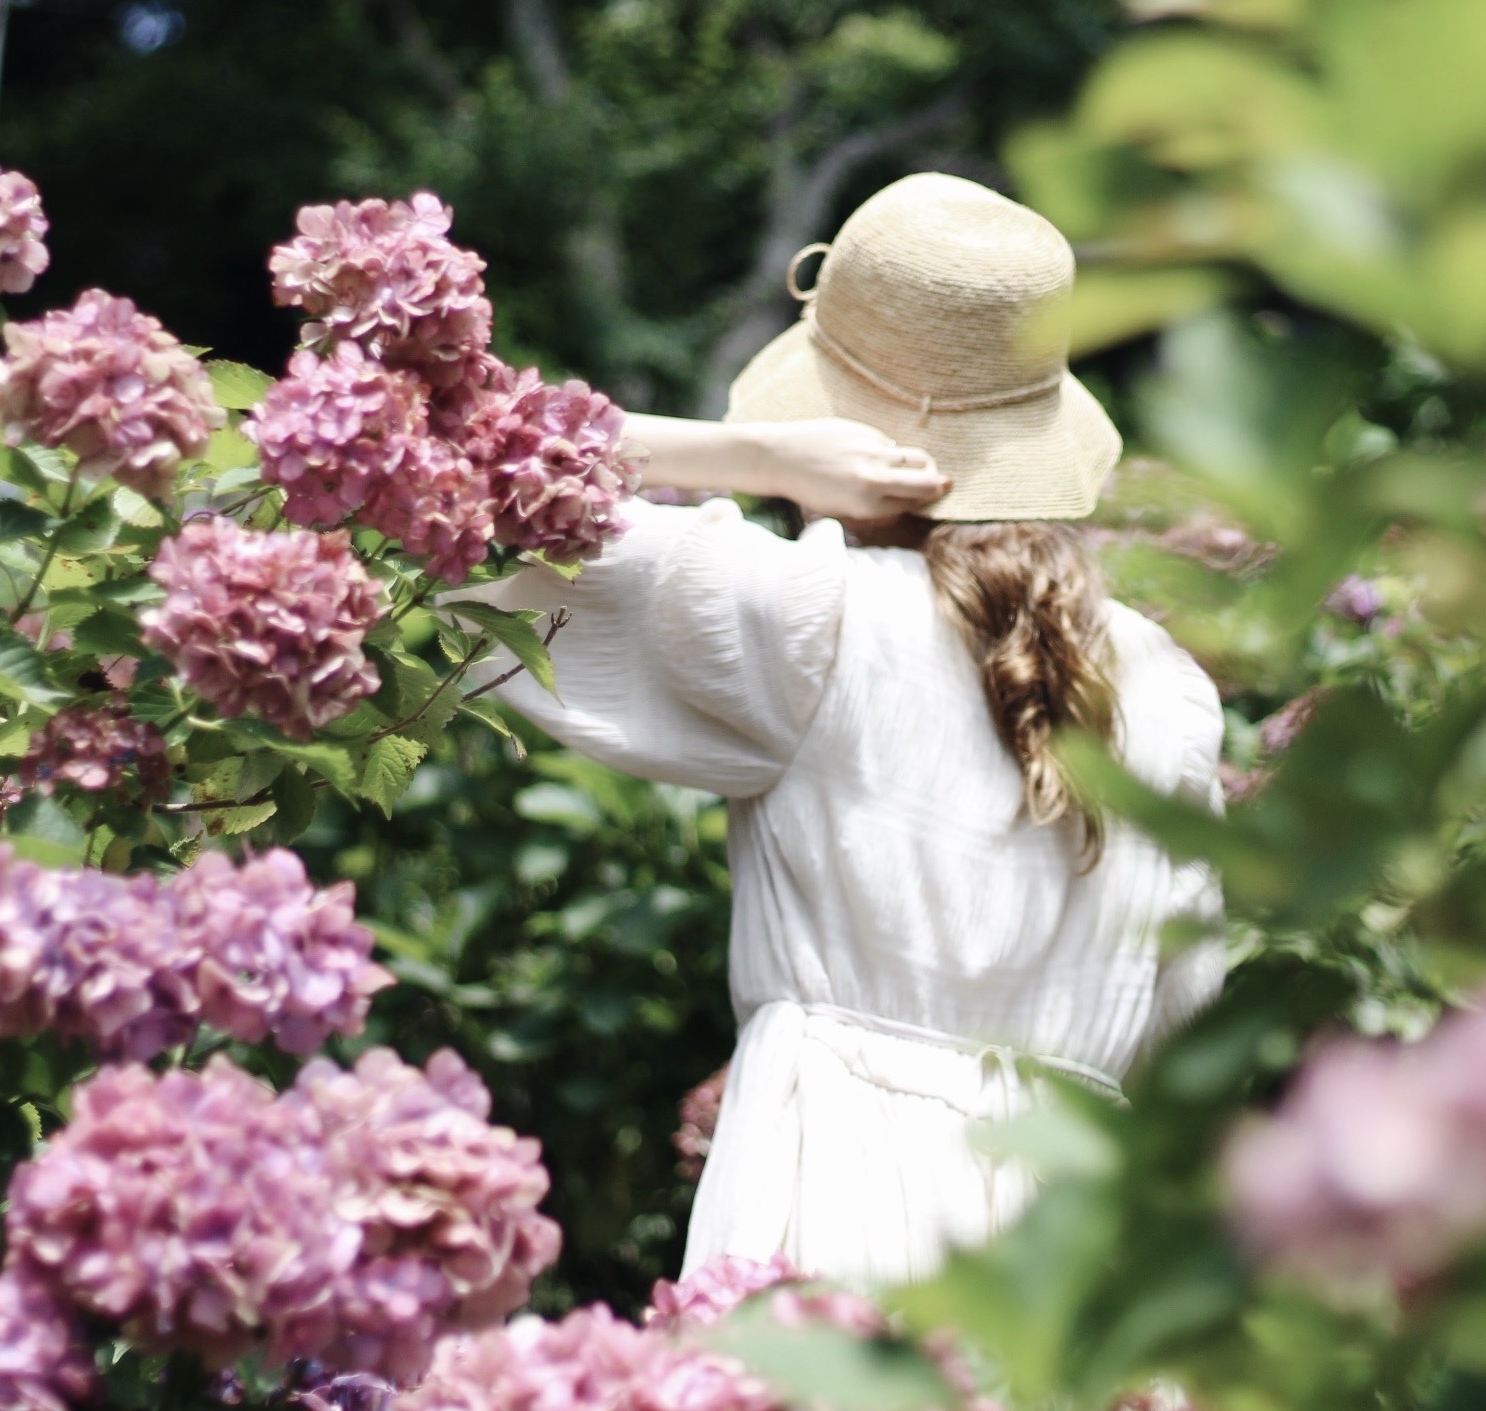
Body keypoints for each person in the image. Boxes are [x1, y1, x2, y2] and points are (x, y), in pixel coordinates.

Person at [467, 173, 1225, 1288]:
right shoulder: (1166, 686)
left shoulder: (806, 619)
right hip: (1079, 1246)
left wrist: (753, 459)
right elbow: (1184, 1020)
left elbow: (402, 477)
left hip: (838, 1207)